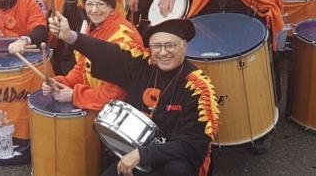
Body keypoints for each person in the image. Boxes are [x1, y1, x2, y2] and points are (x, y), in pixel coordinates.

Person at [48, 15, 218, 176]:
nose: (163, 52)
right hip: (137, 149)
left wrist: (142, 155)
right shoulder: (143, 64)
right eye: (156, 46)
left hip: (172, 159)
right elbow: (107, 53)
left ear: (184, 45)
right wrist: (70, 36)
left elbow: (191, 144)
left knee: (177, 169)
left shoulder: (197, 87)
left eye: (170, 45)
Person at [42, 0, 146, 112]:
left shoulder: (123, 37)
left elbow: (117, 94)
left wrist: (75, 95)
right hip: (96, 104)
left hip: (117, 113)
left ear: (111, 7)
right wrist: (61, 83)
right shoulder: (95, 27)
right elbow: (83, 68)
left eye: (101, 4)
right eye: (89, 4)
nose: (94, 10)